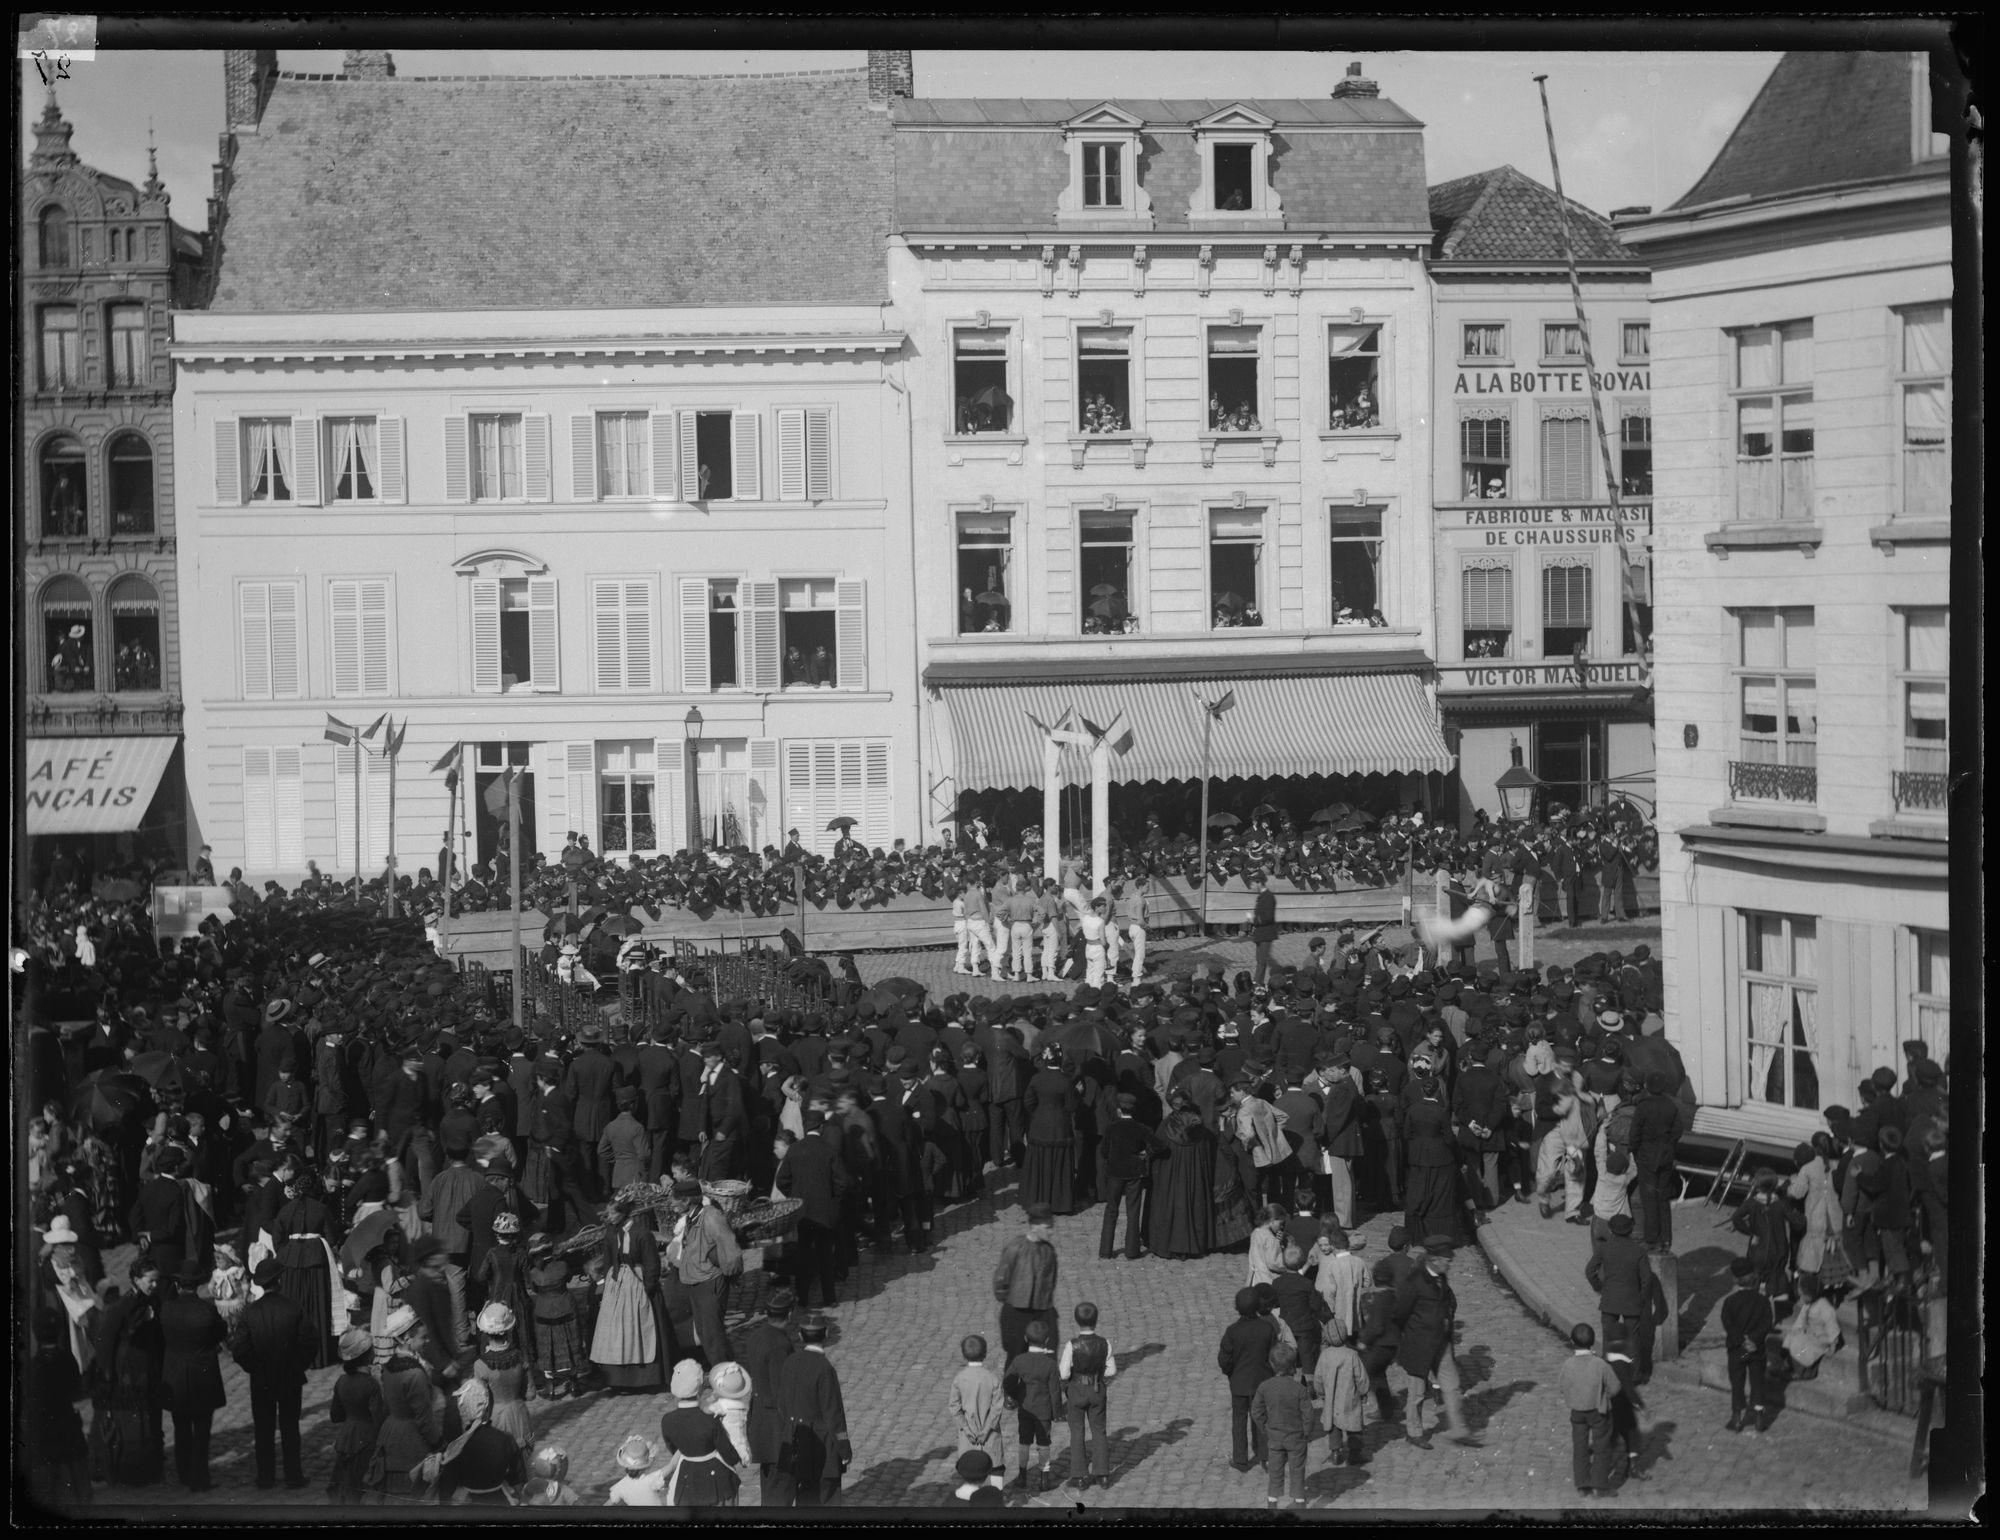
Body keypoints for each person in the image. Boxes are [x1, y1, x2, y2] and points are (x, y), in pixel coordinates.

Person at [228, 1255, 316, 1489]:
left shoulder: (250, 1312)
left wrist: (254, 1368)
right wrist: (299, 1365)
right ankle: (293, 1476)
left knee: (263, 1429)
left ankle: (265, 1477)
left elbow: (239, 1348)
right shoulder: (293, 1307)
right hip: (290, 1376)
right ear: (279, 1280)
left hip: (261, 1379)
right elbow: (309, 1340)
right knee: (290, 1427)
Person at [1394, 1238, 1477, 1448]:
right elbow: (1400, 1313)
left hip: (1441, 1343)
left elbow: (1449, 1301)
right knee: (1417, 1392)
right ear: (1434, 1259)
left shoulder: (1441, 1277)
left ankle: (1458, 1429)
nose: (1450, 1263)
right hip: (1419, 1347)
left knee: (1451, 1386)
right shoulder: (1414, 1283)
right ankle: (1414, 1432)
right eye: (1447, 1259)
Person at [157, 1262, 229, 1493]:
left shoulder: (167, 1309)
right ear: (198, 1284)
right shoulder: (206, 1310)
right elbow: (220, 1332)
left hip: (176, 1374)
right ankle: (200, 1477)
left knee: (181, 1426)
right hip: (202, 1374)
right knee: (201, 1428)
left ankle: (184, 1473)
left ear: (178, 1284)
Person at [590, 1200, 670, 1392]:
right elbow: (609, 1260)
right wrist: (609, 1284)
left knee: (641, 1328)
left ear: (623, 1214)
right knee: (615, 1331)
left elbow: (652, 1265)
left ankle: (646, 1379)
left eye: (612, 1213)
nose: (608, 1217)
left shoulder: (642, 1234)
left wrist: (647, 1289)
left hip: (639, 1285)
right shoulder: (611, 1232)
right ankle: (618, 1379)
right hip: (617, 1286)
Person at [773, 1313, 850, 1506]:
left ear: (800, 1335)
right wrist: (844, 1449)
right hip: (822, 1447)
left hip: (796, 1440)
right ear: (826, 1333)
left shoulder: (790, 1362)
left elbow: (782, 1404)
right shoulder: (824, 1368)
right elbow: (833, 1415)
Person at [670, 1179, 743, 1367]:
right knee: (704, 1331)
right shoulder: (692, 1217)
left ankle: (724, 1373)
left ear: (686, 1201)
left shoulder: (711, 1216)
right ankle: (726, 1368)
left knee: (712, 1333)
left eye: (675, 1200)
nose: (672, 1204)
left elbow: (729, 1247)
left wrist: (731, 1274)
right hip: (696, 1280)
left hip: (710, 1281)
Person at [657, 1357, 744, 1506]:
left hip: (686, 1480)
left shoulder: (667, 1420)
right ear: (700, 1387)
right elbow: (731, 1457)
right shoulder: (710, 1419)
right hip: (717, 1483)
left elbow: (675, 1450)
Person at [426, 1378, 526, 1505]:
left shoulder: (458, 1446)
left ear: (463, 1409)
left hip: (471, 1506)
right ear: (488, 1407)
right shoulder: (506, 1439)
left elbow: (446, 1489)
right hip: (500, 1502)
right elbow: (518, 1479)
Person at [1584, 1214, 1656, 1380]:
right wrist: (1641, 1299)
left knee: (1609, 1336)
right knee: (1633, 1338)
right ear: (1630, 1229)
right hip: (1631, 1301)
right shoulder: (1639, 1251)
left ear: (1611, 1230)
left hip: (1610, 1299)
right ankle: (1635, 1374)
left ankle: (1609, 1372)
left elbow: (1590, 1271)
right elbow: (1647, 1280)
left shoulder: (1604, 1248)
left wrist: (1600, 1287)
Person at [992, 1203, 1061, 1371]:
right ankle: (1012, 1394)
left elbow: (1050, 1282)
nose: (1051, 1231)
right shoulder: (1016, 1248)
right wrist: (1012, 1301)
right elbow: (1001, 1279)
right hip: (1017, 1312)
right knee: (1016, 1357)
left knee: (1049, 1354)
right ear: (1034, 1226)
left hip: (1042, 1311)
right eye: (1047, 1227)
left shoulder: (1048, 1251)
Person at [1218, 1285, 1279, 1473]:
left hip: (1239, 1384)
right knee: (1261, 1419)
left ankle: (1240, 1460)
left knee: (1239, 1420)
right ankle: (1266, 1457)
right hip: (1262, 1381)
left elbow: (1224, 1359)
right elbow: (1273, 1355)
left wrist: (1231, 1373)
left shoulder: (1233, 1331)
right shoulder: (1267, 1328)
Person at [1556, 1323, 1620, 1498]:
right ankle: (1600, 1486)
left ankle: (1582, 1484)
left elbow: (1562, 1386)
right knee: (1602, 1446)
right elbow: (1615, 1387)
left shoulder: (1568, 1364)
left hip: (1577, 1412)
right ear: (1593, 1342)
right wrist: (1604, 1396)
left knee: (1580, 1446)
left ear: (1571, 1342)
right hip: (1598, 1411)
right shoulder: (1600, 1364)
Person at [1148, 1099, 1217, 1259]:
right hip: (1195, 1176)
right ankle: (1194, 1244)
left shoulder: (1167, 1125)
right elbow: (1208, 1152)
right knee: (1194, 1204)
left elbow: (1155, 1147)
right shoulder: (1200, 1128)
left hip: (1170, 1174)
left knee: (1171, 1205)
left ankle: (1168, 1244)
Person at [1058, 1301, 1115, 1491]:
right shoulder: (1104, 1343)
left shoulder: (1072, 1345)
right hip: (1097, 1389)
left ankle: (1080, 1475)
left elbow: (1064, 1373)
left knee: (1077, 1431)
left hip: (1077, 1390)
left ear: (1076, 1320)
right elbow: (1111, 1370)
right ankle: (1103, 1474)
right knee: (1099, 1430)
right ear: (1096, 1320)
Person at [1249, 1341, 1314, 1510]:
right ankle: (1300, 1503)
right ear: (1292, 1365)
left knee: (1275, 1472)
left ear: (1272, 1364)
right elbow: (1308, 1414)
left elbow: (1256, 1411)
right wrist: (1306, 1433)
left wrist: (1265, 1428)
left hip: (1275, 1438)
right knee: (1297, 1470)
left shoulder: (1265, 1387)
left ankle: (1272, 1502)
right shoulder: (1300, 1389)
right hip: (1296, 1437)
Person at [1003, 1316, 1063, 1492]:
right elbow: (1055, 1391)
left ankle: (1022, 1476)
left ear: (1025, 1339)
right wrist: (1057, 1412)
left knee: (1024, 1442)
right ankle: (1044, 1478)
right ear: (1046, 1341)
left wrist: (1016, 1395)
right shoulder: (1050, 1364)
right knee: (1044, 1444)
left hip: (1025, 1409)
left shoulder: (1020, 1361)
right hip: (1044, 1410)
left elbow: (1007, 1382)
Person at [326, 1327, 385, 1503]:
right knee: (359, 1486)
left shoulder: (341, 1381)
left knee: (345, 1484)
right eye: (372, 1349)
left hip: (346, 1438)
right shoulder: (371, 1384)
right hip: (366, 1440)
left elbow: (335, 1415)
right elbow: (378, 1419)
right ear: (366, 1355)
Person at [1719, 1257, 1776, 1435]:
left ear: (1735, 1280)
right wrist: (1753, 1339)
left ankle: (1737, 1418)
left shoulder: (1730, 1302)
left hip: (1739, 1353)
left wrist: (1742, 1341)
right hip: (1756, 1352)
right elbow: (1767, 1322)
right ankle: (1759, 1418)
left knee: (1737, 1382)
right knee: (1757, 1382)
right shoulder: (1763, 1301)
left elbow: (1728, 1324)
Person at [473, 1302, 536, 1449]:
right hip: (520, 1414)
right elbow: (531, 1394)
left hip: (496, 1419)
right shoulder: (520, 1358)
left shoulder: (480, 1365)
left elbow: (481, 1403)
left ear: (485, 1333)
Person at [1311, 1318, 1370, 1468]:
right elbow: (1361, 1377)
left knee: (1333, 1426)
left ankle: (1335, 1452)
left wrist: (1321, 1392)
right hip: (1349, 1396)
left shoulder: (1324, 1355)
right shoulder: (1352, 1355)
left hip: (1331, 1398)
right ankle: (1355, 1453)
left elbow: (1318, 1378)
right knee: (1353, 1425)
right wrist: (1363, 1391)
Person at [950, 1333, 1005, 1467]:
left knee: (971, 1469)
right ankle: (997, 1489)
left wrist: (967, 1429)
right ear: (985, 1353)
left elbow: (955, 1407)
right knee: (996, 1467)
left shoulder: (959, 1379)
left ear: (963, 1355)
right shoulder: (992, 1378)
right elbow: (997, 1408)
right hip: (990, 1435)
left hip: (968, 1438)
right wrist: (986, 1430)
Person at [604, 1433, 672, 1506]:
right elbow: (672, 1465)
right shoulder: (651, 1479)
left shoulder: (620, 1486)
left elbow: (608, 1504)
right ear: (645, 1467)